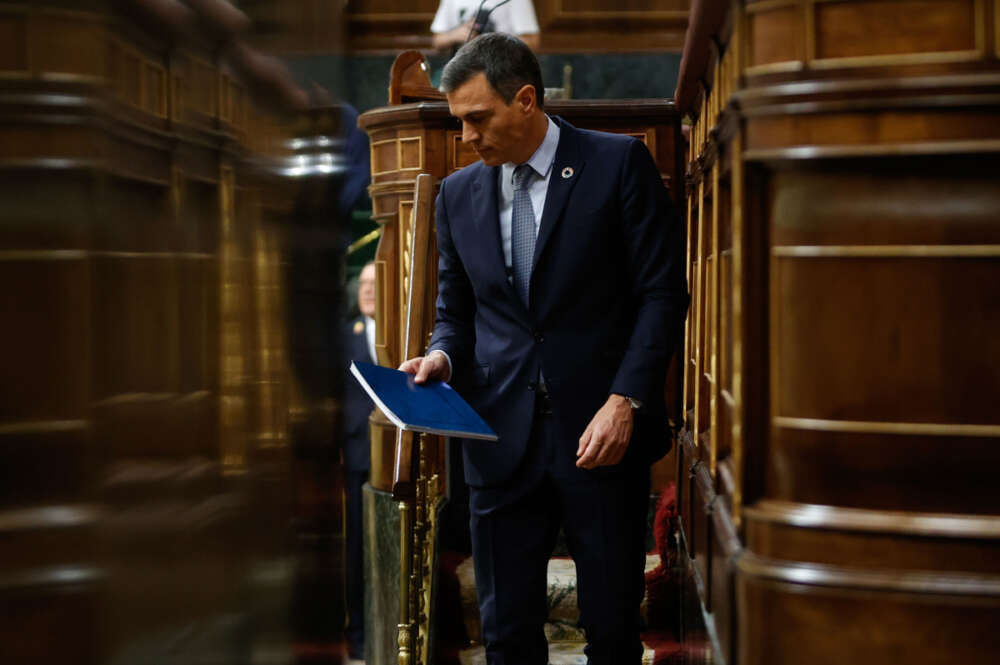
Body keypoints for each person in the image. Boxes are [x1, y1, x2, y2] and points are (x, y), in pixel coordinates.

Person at [399, 34, 688, 665]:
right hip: (499, 442)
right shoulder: (457, 195)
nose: (468, 136)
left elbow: (663, 296)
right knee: (505, 637)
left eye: (479, 118)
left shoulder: (616, 165)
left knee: (612, 633)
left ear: (526, 99)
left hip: (601, 437)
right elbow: (456, 314)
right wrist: (440, 357)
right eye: (459, 121)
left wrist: (626, 399)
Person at [342, 262, 377, 663]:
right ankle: (358, 637)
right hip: (356, 456)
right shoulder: (343, 334)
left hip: (395, 456)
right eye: (362, 284)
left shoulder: (401, 333)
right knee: (356, 550)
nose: (367, 290)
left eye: (374, 283)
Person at [431, 0, 540, 52]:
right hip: (461, 69)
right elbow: (437, 41)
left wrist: (491, 41)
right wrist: (455, 35)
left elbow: (532, 42)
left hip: (502, 71)